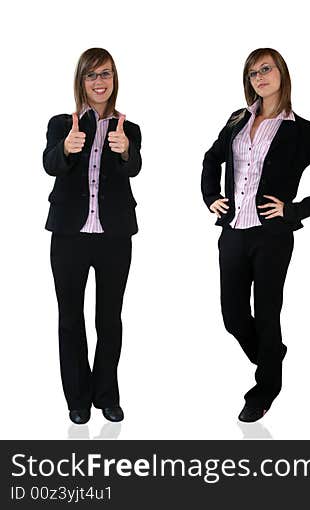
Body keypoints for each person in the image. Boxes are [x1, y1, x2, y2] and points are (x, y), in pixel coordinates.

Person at [201, 48, 310, 422]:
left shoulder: (301, 130)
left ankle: (264, 390)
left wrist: (294, 210)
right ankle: (272, 357)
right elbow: (211, 158)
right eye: (252, 73)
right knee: (232, 316)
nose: (259, 77)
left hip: (272, 236)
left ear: (281, 72)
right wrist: (211, 197)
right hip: (233, 231)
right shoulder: (237, 119)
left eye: (266, 69)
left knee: (267, 314)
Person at [42, 48, 142, 425]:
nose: (100, 82)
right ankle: (78, 399)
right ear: (81, 81)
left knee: (109, 318)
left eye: (106, 74)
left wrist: (126, 151)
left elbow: (134, 167)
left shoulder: (128, 129)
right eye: (92, 75)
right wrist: (66, 149)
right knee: (70, 318)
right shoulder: (61, 124)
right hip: (69, 234)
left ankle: (107, 394)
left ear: (114, 80)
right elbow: (49, 162)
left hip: (115, 236)